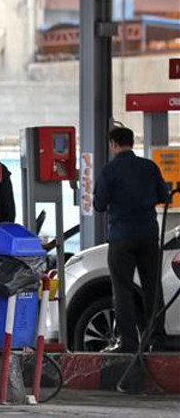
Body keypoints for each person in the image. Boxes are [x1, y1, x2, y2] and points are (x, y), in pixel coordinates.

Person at [93, 126, 169, 353]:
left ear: (113, 144)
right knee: (153, 288)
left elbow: (99, 205)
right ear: (133, 143)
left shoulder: (109, 171)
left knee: (122, 290)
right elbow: (164, 196)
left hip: (121, 238)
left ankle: (128, 343)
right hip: (148, 234)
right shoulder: (149, 167)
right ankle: (157, 339)